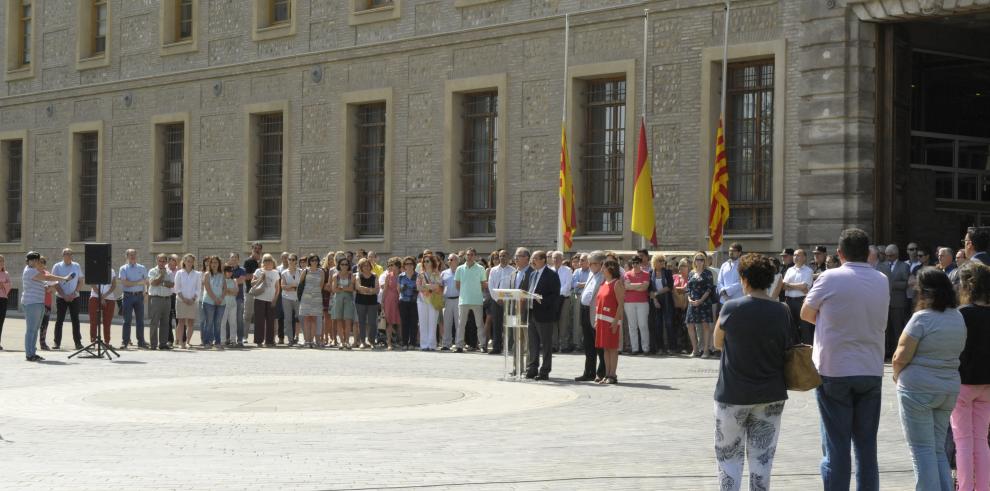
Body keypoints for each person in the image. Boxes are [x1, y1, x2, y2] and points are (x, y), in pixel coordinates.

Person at [801, 228, 890, 491]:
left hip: (835, 369)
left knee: (837, 445)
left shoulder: (830, 277)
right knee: (866, 447)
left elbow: (806, 313)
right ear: (869, 254)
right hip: (871, 369)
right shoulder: (882, 279)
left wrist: (831, 321)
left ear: (839, 254)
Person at [713, 254, 790, 491]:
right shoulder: (782, 310)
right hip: (771, 393)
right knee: (762, 460)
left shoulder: (731, 307)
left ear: (744, 279)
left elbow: (717, 342)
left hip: (733, 394)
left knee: (729, 459)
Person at [892, 267, 965, 491]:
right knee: (936, 449)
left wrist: (896, 375)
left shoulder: (921, 318)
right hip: (948, 388)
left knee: (921, 449)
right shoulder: (958, 316)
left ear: (925, 291)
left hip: (917, 389)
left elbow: (899, 356)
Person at [952, 262, 990, 491]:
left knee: (963, 441)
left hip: (963, 383)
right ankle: (984, 487)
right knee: (981, 440)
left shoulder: (961, 315)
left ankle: (965, 487)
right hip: (987, 384)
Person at [22, 252, 72, 361]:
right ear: (29, 261)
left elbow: (46, 283)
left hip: (38, 302)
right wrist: (64, 278)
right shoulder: (30, 271)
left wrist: (52, 285)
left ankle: (32, 352)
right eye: (33, 260)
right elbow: (47, 277)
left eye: (36, 260)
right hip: (31, 303)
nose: (35, 262)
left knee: (35, 329)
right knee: (31, 329)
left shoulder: (35, 271)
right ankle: (29, 354)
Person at [525, 250, 560, 380]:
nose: (532, 261)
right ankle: (532, 368)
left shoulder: (551, 275)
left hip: (544, 314)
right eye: (532, 259)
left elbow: (555, 295)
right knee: (533, 343)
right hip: (532, 312)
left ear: (543, 260)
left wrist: (542, 300)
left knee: (545, 344)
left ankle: (544, 371)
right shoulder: (533, 274)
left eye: (534, 258)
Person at [878, 243, 911, 359]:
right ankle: (885, 351)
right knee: (885, 329)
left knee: (897, 329)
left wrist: (890, 284)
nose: (888, 258)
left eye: (891, 256)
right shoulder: (881, 266)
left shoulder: (904, 266)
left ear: (896, 255)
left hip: (898, 303)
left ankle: (897, 352)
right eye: (886, 255)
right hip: (884, 303)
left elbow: (906, 283)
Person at [594, 258, 624, 384]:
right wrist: (596, 319)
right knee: (605, 348)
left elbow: (621, 304)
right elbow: (598, 303)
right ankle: (607, 374)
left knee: (612, 348)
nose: (602, 269)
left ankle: (613, 375)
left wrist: (616, 321)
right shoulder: (603, 283)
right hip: (601, 321)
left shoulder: (617, 283)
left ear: (610, 269)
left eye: (604, 267)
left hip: (612, 321)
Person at [455, 248, 488, 353]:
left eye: (472, 255)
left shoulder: (481, 268)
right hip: (463, 300)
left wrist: (475, 292)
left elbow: (483, 284)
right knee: (461, 324)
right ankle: (459, 345)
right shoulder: (460, 268)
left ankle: (483, 345)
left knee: (479, 324)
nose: (469, 256)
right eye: (468, 255)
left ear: (475, 256)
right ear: (465, 256)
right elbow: (457, 285)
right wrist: (466, 292)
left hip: (477, 300)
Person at [51, 248, 84, 350]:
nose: (68, 255)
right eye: (66, 253)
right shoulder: (57, 266)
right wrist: (64, 295)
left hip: (74, 297)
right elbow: (55, 282)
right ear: (63, 255)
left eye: (70, 253)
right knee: (59, 320)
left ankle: (78, 343)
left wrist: (75, 293)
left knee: (75, 320)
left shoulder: (76, 266)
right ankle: (57, 343)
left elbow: (81, 281)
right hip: (61, 297)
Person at [686, 251, 716, 358]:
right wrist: (689, 299)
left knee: (705, 325)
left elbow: (709, 289)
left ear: (704, 261)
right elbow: (688, 288)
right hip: (692, 303)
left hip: (704, 302)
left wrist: (700, 300)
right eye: (697, 259)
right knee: (690, 325)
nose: (699, 261)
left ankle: (706, 350)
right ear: (694, 261)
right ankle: (695, 350)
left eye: (701, 259)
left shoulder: (707, 273)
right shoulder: (691, 273)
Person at [118, 249, 148, 349]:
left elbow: (146, 282)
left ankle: (141, 342)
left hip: (139, 296)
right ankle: (125, 342)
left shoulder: (142, 267)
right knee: (127, 320)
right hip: (127, 296)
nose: (133, 256)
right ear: (126, 256)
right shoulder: (123, 268)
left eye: (134, 254)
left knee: (140, 320)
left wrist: (146, 293)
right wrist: (138, 282)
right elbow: (125, 283)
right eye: (130, 255)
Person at [782, 249, 813, 345]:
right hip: (789, 301)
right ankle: (793, 351)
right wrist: (798, 286)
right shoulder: (790, 270)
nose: (795, 257)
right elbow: (783, 286)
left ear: (804, 257)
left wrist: (790, 285)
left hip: (801, 301)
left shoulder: (808, 271)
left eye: (798, 255)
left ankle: (807, 353)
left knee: (805, 328)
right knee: (790, 327)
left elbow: (804, 286)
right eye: (794, 255)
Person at [622, 255, 650, 355]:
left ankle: (645, 348)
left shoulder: (646, 274)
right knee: (632, 326)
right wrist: (639, 284)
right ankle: (635, 348)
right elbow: (626, 286)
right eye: (633, 263)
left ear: (640, 263)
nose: (635, 265)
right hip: (629, 302)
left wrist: (632, 286)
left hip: (642, 302)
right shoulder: (627, 274)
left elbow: (645, 287)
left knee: (643, 325)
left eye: (637, 263)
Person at [251, 254, 280, 347]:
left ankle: (269, 341)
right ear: (263, 263)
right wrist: (261, 278)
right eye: (265, 261)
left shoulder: (275, 272)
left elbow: (277, 287)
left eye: (269, 261)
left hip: (271, 299)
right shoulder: (258, 271)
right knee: (259, 320)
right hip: (259, 298)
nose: (268, 263)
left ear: (273, 262)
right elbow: (252, 283)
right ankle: (259, 341)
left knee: (270, 320)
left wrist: (275, 299)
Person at [487, 250, 513, 355]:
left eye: (504, 256)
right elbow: (491, 285)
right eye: (500, 256)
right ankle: (496, 347)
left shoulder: (513, 270)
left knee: (509, 324)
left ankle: (509, 347)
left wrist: (506, 299)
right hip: (496, 300)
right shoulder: (493, 270)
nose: (502, 258)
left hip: (509, 301)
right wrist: (497, 298)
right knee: (496, 324)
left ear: (508, 257)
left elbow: (513, 286)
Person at [147, 253, 175, 350]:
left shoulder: (169, 272)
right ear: (157, 261)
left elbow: (172, 284)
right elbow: (153, 283)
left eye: (164, 261)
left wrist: (161, 282)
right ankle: (153, 344)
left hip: (167, 299)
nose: (162, 263)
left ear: (166, 262)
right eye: (160, 261)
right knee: (154, 322)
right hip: (156, 299)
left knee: (165, 322)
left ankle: (163, 344)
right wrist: (161, 276)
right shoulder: (152, 271)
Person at [297, 255, 325, 349]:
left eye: (316, 260)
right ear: (309, 261)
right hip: (306, 297)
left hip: (316, 297)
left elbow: (321, 285)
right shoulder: (305, 270)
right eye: (312, 260)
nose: (314, 262)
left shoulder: (321, 271)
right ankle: (307, 340)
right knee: (306, 319)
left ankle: (312, 341)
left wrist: (316, 293)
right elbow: (300, 283)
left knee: (314, 319)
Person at [173, 254, 200, 349]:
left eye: (191, 261)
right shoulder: (179, 273)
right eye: (188, 261)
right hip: (181, 301)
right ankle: (181, 342)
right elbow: (177, 288)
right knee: (181, 322)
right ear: (184, 261)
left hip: (193, 301)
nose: (189, 263)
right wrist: (184, 299)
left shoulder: (197, 274)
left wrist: (192, 299)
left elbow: (198, 289)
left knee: (191, 323)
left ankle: (187, 341)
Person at [650, 254, 675, 355]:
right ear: (654, 262)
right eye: (660, 261)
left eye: (663, 261)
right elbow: (650, 289)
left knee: (669, 323)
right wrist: (655, 300)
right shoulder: (651, 273)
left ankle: (672, 348)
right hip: (656, 301)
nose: (662, 263)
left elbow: (669, 286)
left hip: (667, 300)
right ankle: (659, 348)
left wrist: (656, 293)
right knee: (658, 324)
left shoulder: (668, 272)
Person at [416, 255, 442, 351]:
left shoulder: (437, 274)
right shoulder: (420, 274)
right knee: (423, 323)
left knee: (433, 323)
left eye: (428, 261)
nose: (425, 263)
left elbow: (438, 286)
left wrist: (426, 286)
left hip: (433, 301)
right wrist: (431, 286)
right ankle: (424, 345)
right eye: (424, 261)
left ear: (432, 262)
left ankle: (432, 345)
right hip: (422, 301)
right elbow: (418, 288)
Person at [200, 256, 226, 349]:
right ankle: (207, 342)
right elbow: (207, 287)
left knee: (218, 323)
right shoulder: (207, 274)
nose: (214, 264)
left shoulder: (222, 274)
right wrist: (215, 299)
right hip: (209, 302)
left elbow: (224, 288)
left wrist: (221, 298)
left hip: (221, 303)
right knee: (209, 322)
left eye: (216, 262)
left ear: (219, 264)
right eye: (212, 262)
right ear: (210, 264)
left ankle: (217, 342)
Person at [88, 265, 117, 346]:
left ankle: (107, 342)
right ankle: (93, 341)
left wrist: (104, 296)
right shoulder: (94, 269)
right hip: (95, 296)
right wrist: (101, 296)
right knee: (93, 320)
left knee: (107, 322)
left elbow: (114, 285)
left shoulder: (111, 270)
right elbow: (93, 284)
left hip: (109, 298)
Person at [354, 258, 380, 349]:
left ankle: (371, 341)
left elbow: (377, 289)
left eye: (368, 265)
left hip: (372, 302)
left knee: (372, 322)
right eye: (364, 265)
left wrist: (365, 290)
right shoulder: (358, 275)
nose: (366, 267)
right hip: (360, 301)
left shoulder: (375, 275)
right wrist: (370, 290)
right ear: (360, 267)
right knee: (361, 322)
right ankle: (362, 341)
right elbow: (358, 287)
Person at [550, 251, 573, 353]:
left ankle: (564, 345)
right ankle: (554, 345)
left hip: (564, 299)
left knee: (563, 322)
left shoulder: (567, 270)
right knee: (553, 322)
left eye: (558, 258)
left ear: (562, 259)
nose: (556, 260)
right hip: (552, 300)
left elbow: (567, 285)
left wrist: (557, 294)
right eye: (554, 258)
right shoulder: (549, 270)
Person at [331, 257, 356, 349]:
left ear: (349, 265)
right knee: (339, 320)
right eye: (342, 264)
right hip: (338, 300)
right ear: (339, 265)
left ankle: (347, 341)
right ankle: (341, 342)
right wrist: (345, 288)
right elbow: (334, 289)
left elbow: (351, 289)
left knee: (348, 321)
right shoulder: (335, 276)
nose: (344, 266)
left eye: (346, 264)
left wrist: (340, 287)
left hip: (348, 300)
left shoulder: (352, 276)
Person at [224, 253, 247, 346]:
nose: (233, 259)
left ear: (238, 259)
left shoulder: (242, 270)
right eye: (232, 257)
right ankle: (228, 338)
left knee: (239, 320)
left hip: (238, 298)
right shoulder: (225, 269)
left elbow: (241, 280)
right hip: (226, 299)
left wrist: (230, 280)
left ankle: (240, 339)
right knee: (226, 320)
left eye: (235, 257)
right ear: (229, 259)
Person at [279, 254, 301, 346]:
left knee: (300, 318)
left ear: (296, 261)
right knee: (288, 319)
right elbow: (283, 286)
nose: (291, 261)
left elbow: (301, 286)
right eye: (290, 259)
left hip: (298, 298)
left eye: (293, 259)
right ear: (287, 261)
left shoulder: (300, 272)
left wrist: (290, 287)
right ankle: (290, 339)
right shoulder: (284, 272)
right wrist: (293, 287)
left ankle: (300, 338)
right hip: (286, 298)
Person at [380, 257, 401, 351]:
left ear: (397, 265)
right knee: (389, 322)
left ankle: (400, 341)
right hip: (389, 300)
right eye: (389, 265)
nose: (390, 267)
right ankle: (389, 342)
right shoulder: (389, 275)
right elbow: (385, 289)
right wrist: (382, 301)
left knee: (400, 321)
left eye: (392, 265)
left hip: (399, 299)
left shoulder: (402, 275)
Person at [243, 242, 263, 344]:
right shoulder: (247, 261)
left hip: (261, 293)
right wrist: (257, 275)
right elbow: (245, 276)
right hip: (250, 292)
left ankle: (258, 338)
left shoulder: (262, 262)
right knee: (247, 315)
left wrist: (260, 265)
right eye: (255, 248)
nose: (257, 250)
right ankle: (244, 337)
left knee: (259, 316)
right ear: (252, 249)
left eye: (259, 248)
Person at [440, 253, 460, 351]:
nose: (449, 261)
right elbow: (441, 286)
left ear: (457, 261)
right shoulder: (444, 273)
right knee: (447, 323)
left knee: (458, 323)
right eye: (448, 259)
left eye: (451, 259)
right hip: (447, 300)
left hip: (458, 299)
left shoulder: (461, 271)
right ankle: (446, 344)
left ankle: (459, 344)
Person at [672, 258, 691, 355]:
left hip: (686, 305)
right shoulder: (675, 277)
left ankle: (686, 347)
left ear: (688, 268)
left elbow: (686, 290)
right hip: (675, 305)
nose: (682, 268)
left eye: (684, 266)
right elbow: (672, 288)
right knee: (676, 326)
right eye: (681, 266)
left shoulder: (691, 277)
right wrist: (680, 290)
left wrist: (678, 289)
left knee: (685, 326)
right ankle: (677, 347)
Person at [219, 265, 239, 346]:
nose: (230, 273)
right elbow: (222, 291)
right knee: (222, 322)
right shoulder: (221, 280)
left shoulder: (234, 281)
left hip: (233, 304)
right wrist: (230, 291)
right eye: (228, 271)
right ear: (224, 272)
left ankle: (233, 339)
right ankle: (222, 340)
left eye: (231, 271)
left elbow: (236, 292)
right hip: (224, 304)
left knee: (233, 322)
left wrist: (228, 291)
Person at [0, 255, 9, 350]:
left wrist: (4, 285)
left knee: (1, 321)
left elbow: (9, 285)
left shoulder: (6, 273)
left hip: (3, 299)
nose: (1, 263)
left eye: (2, 261)